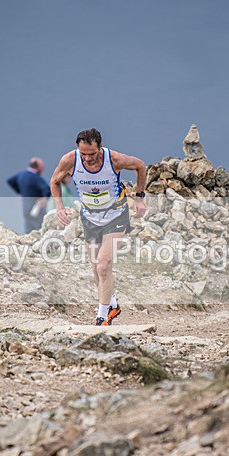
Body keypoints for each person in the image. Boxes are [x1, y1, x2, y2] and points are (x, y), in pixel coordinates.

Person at [50, 128, 147, 326]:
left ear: (100, 147)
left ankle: (102, 317)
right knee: (96, 268)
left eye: (92, 154)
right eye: (83, 154)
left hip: (115, 215)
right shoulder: (70, 160)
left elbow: (140, 166)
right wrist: (59, 208)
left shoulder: (115, 160)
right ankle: (113, 304)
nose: (87, 159)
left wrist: (139, 198)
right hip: (90, 218)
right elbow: (54, 181)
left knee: (103, 265)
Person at [7, 157, 51, 232]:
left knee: (29, 227)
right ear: (38, 167)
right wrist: (45, 198)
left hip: (26, 208)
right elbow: (46, 189)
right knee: (41, 226)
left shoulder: (21, 175)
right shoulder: (35, 177)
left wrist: (20, 191)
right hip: (36, 207)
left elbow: (10, 180)